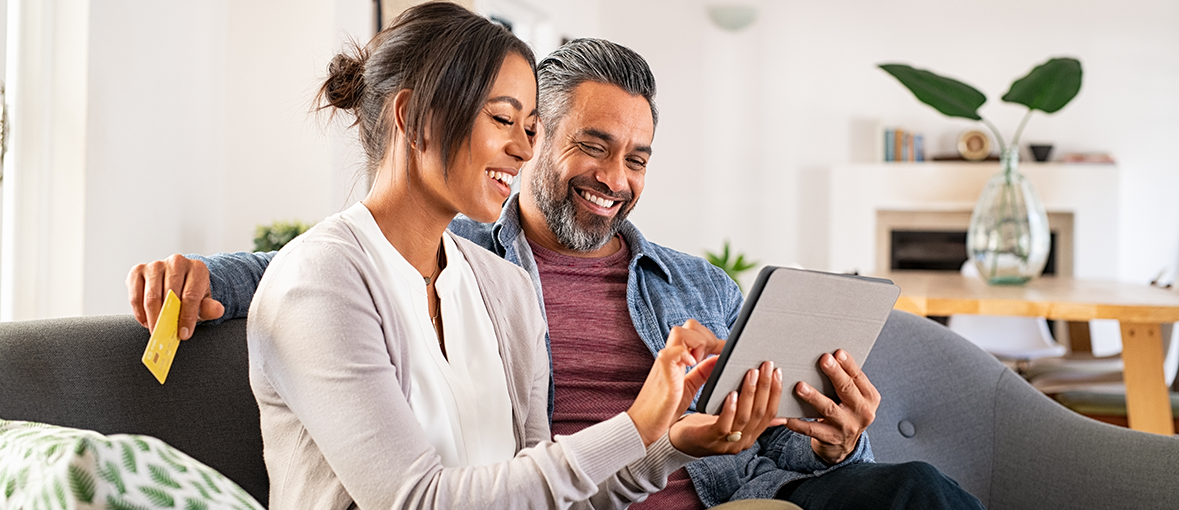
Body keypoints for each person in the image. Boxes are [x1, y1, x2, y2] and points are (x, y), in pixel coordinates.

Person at [129, 37, 985, 510]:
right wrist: (205, 276)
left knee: (915, 492)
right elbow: (328, 267)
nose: (616, 177)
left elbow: (759, 447)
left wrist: (830, 436)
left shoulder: (697, 288)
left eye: (638, 157)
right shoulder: (471, 257)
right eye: (592, 144)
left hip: (709, 498)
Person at [226, 2, 783, 509]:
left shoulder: (504, 287)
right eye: (502, 120)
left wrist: (668, 442)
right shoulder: (318, 280)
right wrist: (635, 424)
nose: (523, 149)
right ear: (414, 116)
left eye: (531, 126)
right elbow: (417, 501)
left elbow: (553, 496)